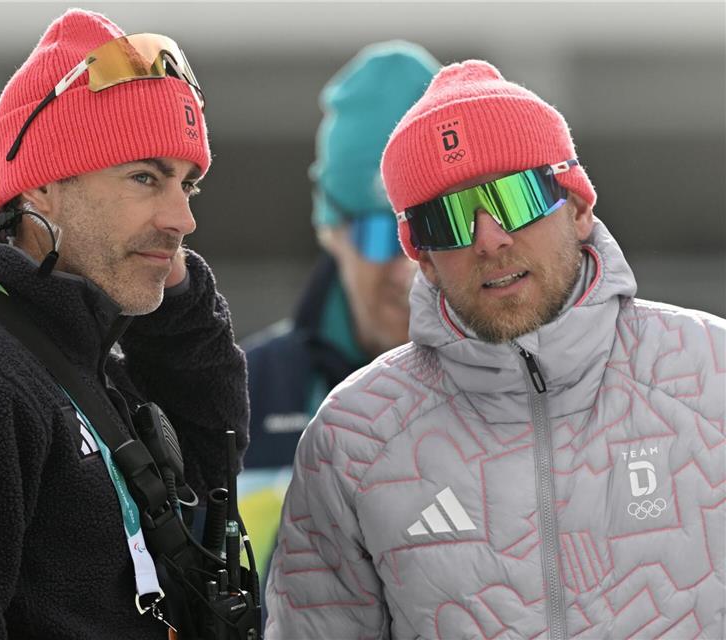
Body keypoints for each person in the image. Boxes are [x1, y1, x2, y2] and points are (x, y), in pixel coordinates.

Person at [265, 59, 725, 639]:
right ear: (423, 257)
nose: (489, 239)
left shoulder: (714, 373)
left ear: (578, 205)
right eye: (450, 217)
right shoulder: (352, 436)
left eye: (513, 196)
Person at [0, 9, 248, 639]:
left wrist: (170, 284)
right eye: (144, 178)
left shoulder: (86, 360)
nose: (182, 218)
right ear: (43, 187)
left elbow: (215, 471)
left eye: (187, 186)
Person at [238, 42, 439, 584]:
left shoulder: (521, 386)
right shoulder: (244, 396)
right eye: (380, 234)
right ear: (332, 230)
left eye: (426, 230)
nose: (409, 267)